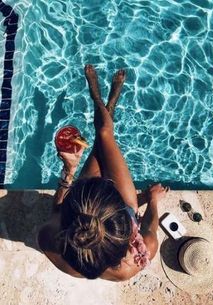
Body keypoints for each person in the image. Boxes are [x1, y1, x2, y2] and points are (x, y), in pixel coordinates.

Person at [38, 64, 169, 281]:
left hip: (109, 207)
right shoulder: (133, 262)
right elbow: (149, 226)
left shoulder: (50, 241)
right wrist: (153, 201)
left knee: (102, 139)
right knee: (104, 133)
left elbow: (56, 212)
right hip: (126, 204)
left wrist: (70, 170)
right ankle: (108, 105)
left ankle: (98, 99)